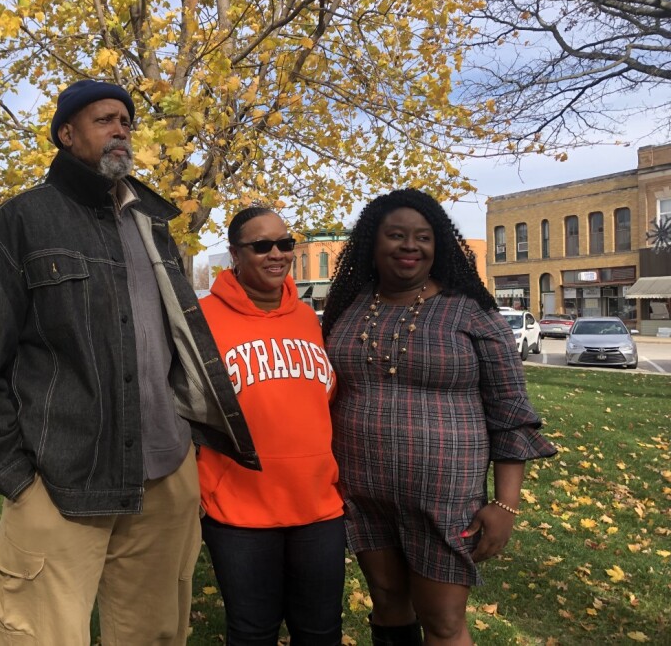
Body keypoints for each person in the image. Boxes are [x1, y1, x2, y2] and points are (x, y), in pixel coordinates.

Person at [0, 79, 260, 645]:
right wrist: (13, 477)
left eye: (127, 121)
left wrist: (187, 440)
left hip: (164, 473)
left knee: (155, 634)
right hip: (62, 477)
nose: (121, 130)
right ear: (66, 135)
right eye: (104, 120)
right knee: (36, 636)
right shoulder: (16, 226)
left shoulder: (152, 224)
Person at [322, 189, 556, 646]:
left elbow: (511, 414)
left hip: (443, 502)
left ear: (438, 245)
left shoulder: (471, 311)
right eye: (396, 235)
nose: (410, 246)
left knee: (443, 621)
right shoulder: (348, 308)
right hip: (362, 492)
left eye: (423, 237)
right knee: (387, 602)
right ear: (373, 242)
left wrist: (505, 505)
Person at [197, 206, 346, 645]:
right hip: (239, 510)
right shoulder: (201, 319)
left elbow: (323, 397)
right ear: (235, 255)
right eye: (261, 246)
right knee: (252, 633)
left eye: (285, 243)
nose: (276, 253)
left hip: (317, 506)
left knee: (321, 632)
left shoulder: (306, 319)